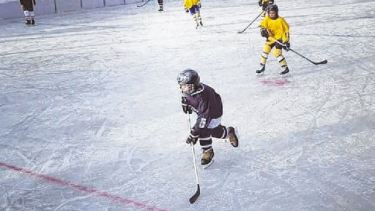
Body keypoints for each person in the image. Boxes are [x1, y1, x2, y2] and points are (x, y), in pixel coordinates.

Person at [177, 69, 238, 167]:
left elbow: (203, 119)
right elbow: (186, 96)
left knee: (204, 130)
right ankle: (229, 132)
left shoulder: (204, 96)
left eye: (186, 86)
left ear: (194, 85)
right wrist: (185, 101)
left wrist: (194, 133)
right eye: (182, 86)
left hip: (213, 113)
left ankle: (208, 151)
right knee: (212, 131)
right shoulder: (190, 90)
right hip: (203, 112)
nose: (184, 89)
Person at [256, 4, 290, 75]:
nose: (271, 14)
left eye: (273, 13)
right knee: (265, 50)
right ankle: (262, 66)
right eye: (270, 13)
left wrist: (286, 42)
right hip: (271, 38)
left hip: (279, 39)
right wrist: (263, 31)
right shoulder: (267, 19)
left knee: (277, 53)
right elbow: (262, 26)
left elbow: (286, 32)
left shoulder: (281, 20)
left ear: (276, 12)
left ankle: (285, 68)